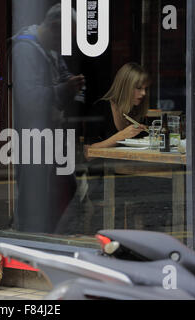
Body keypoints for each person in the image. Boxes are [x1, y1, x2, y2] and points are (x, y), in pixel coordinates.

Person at [11, 3, 85, 233]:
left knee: (64, 187)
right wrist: (64, 89)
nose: (66, 45)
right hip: (32, 136)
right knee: (34, 196)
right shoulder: (25, 49)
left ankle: (48, 235)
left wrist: (71, 83)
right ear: (55, 27)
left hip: (50, 133)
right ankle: (31, 242)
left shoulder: (49, 48)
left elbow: (63, 75)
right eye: (65, 37)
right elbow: (29, 99)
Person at [86, 62, 149, 148]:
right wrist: (121, 136)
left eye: (145, 88)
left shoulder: (137, 111)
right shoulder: (101, 108)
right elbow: (87, 153)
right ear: (125, 87)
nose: (144, 93)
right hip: (104, 161)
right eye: (138, 88)